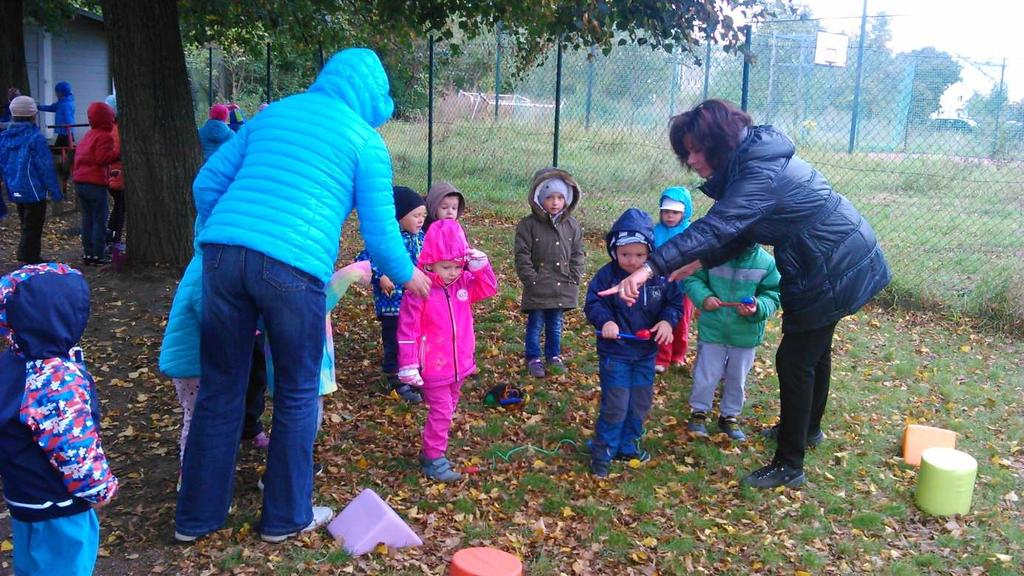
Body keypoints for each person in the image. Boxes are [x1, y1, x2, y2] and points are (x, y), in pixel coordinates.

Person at [174, 48, 430, 544]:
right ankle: (285, 516)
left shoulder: (277, 113)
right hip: (293, 268)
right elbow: (380, 234)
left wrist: (218, 234)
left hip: (223, 259)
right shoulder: (365, 142)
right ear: (371, 96)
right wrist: (408, 275)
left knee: (221, 387)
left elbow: (207, 183)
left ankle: (196, 519)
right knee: (295, 392)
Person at [599, 99, 890, 489]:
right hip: (830, 257)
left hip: (832, 263)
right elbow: (744, 231)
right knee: (814, 353)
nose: (692, 160)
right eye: (687, 151)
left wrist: (652, 267)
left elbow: (717, 226)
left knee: (795, 361)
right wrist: (698, 264)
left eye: (696, 150)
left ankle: (790, 463)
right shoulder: (753, 161)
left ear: (719, 142)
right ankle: (807, 431)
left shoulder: (758, 172)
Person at [0, 263, 119, 576]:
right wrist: (99, 489)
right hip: (59, 507)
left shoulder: (13, 363)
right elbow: (72, 444)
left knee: (31, 567)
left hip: (24, 499)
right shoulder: (56, 379)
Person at [396, 220, 497, 482]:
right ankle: (434, 458)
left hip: (459, 362)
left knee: (449, 406)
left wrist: (481, 268)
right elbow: (408, 330)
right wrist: (407, 364)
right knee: (441, 410)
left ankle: (431, 449)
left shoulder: (462, 282)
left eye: (457, 266)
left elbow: (488, 288)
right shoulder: (420, 290)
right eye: (446, 267)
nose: (453, 272)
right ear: (430, 262)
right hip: (433, 364)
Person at [584, 209, 682, 478]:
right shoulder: (606, 277)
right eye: (625, 254)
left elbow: (674, 302)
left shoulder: (660, 276)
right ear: (614, 251)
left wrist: (666, 322)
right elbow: (593, 303)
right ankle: (603, 451)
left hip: (646, 354)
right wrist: (605, 322)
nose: (632, 261)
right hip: (616, 353)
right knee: (616, 403)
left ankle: (628, 445)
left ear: (650, 252)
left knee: (639, 402)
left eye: (640, 255)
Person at [684, 243, 780, 442]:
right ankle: (699, 412)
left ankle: (729, 416)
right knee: (707, 374)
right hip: (713, 329)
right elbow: (693, 279)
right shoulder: (712, 255)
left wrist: (758, 307)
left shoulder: (766, 262)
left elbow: (773, 294)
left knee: (737, 377)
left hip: (745, 333)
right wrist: (705, 297)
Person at [354, 185, 427, 403]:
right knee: (395, 339)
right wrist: (380, 275)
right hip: (392, 305)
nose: (421, 219)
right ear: (399, 215)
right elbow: (363, 259)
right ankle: (394, 376)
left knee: (413, 337)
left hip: (414, 304)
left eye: (423, 215)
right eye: (416, 215)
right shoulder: (387, 240)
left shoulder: (421, 237)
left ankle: (411, 371)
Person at [514, 168, 586, 379]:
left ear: (567, 199)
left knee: (556, 323)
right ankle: (533, 357)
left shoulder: (572, 226)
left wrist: (574, 275)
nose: (555, 202)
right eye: (550, 197)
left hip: (562, 284)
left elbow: (578, 252)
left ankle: (554, 356)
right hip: (538, 285)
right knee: (536, 323)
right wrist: (531, 279)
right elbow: (522, 255)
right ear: (539, 199)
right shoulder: (528, 226)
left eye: (560, 197)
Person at [0, 96, 62, 264]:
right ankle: (29, 258)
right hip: (34, 190)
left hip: (14, 187)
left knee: (26, 223)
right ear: (32, 115)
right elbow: (45, 167)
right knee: (33, 225)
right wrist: (55, 192)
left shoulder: (4, 138)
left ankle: (28, 255)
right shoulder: (36, 138)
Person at [653, 186, 695, 373]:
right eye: (666, 212)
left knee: (682, 322)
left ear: (684, 212)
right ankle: (662, 357)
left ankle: (678, 354)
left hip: (684, 287)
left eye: (675, 212)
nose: (670, 216)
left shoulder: (691, 233)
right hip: (661, 286)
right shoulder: (655, 232)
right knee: (663, 320)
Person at [71, 102, 119, 266]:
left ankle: (88, 253)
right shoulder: (104, 136)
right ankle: (99, 254)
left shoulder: (88, 136)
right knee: (99, 219)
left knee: (87, 219)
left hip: (81, 182)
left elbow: (88, 160)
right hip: (95, 185)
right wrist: (118, 153)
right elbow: (101, 158)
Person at [104, 95, 126, 248]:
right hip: (117, 173)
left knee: (119, 206)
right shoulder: (116, 130)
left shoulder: (107, 128)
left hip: (111, 173)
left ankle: (112, 237)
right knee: (120, 206)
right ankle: (113, 238)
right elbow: (116, 151)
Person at [37, 81, 76, 147]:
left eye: (56, 92)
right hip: (64, 131)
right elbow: (52, 108)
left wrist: (67, 130)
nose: (56, 94)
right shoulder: (62, 102)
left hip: (65, 131)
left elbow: (67, 118)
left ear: (61, 93)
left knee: (61, 149)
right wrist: (39, 107)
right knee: (62, 148)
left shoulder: (65, 104)